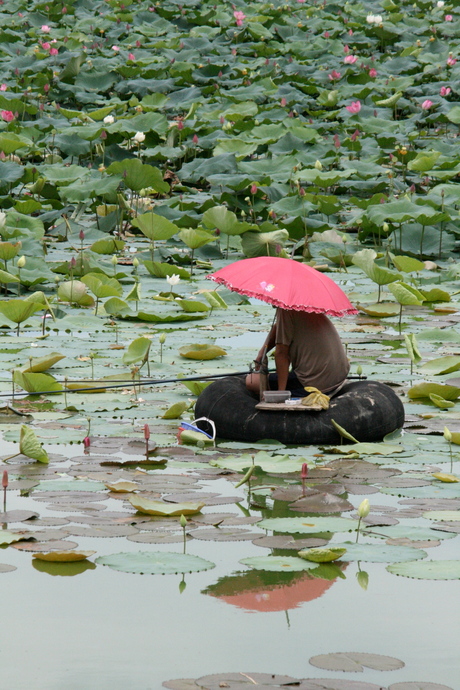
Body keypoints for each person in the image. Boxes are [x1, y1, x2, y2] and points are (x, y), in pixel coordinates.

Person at [246, 308, 350, 397]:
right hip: (338, 375)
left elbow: (282, 354)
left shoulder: (285, 310)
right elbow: (279, 327)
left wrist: (281, 393)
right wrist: (262, 352)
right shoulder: (303, 305)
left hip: (315, 381)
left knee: (251, 381)